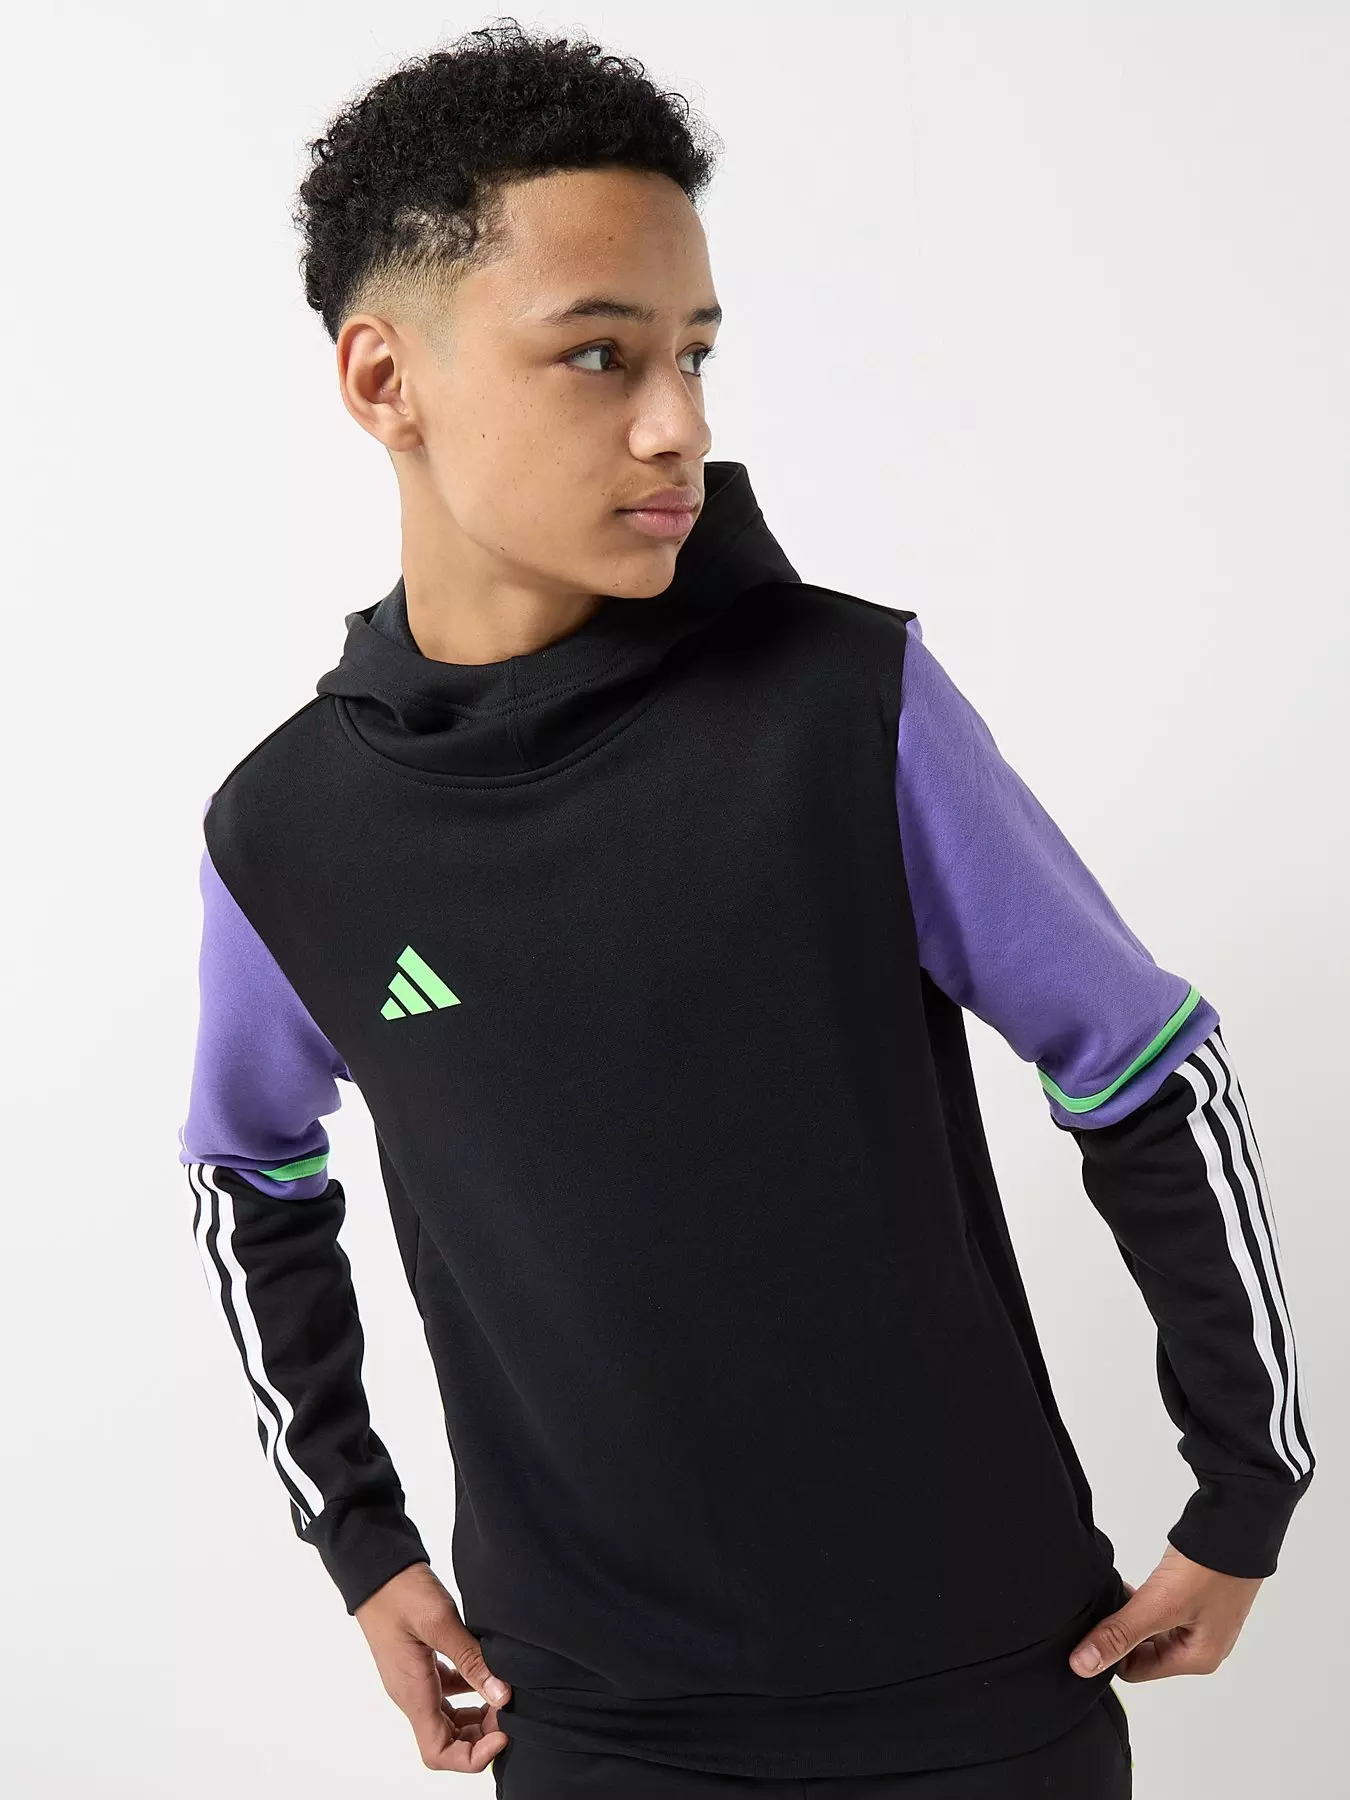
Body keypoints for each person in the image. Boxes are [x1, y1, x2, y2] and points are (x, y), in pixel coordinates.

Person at [178, 19, 1315, 1797]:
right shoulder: (291, 831)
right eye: (599, 354)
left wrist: (1245, 1487)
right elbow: (249, 1180)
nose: (678, 425)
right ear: (384, 377)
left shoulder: (844, 708)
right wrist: (362, 1542)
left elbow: (1142, 1067)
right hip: (591, 1724)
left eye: (695, 352)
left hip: (983, 1691)